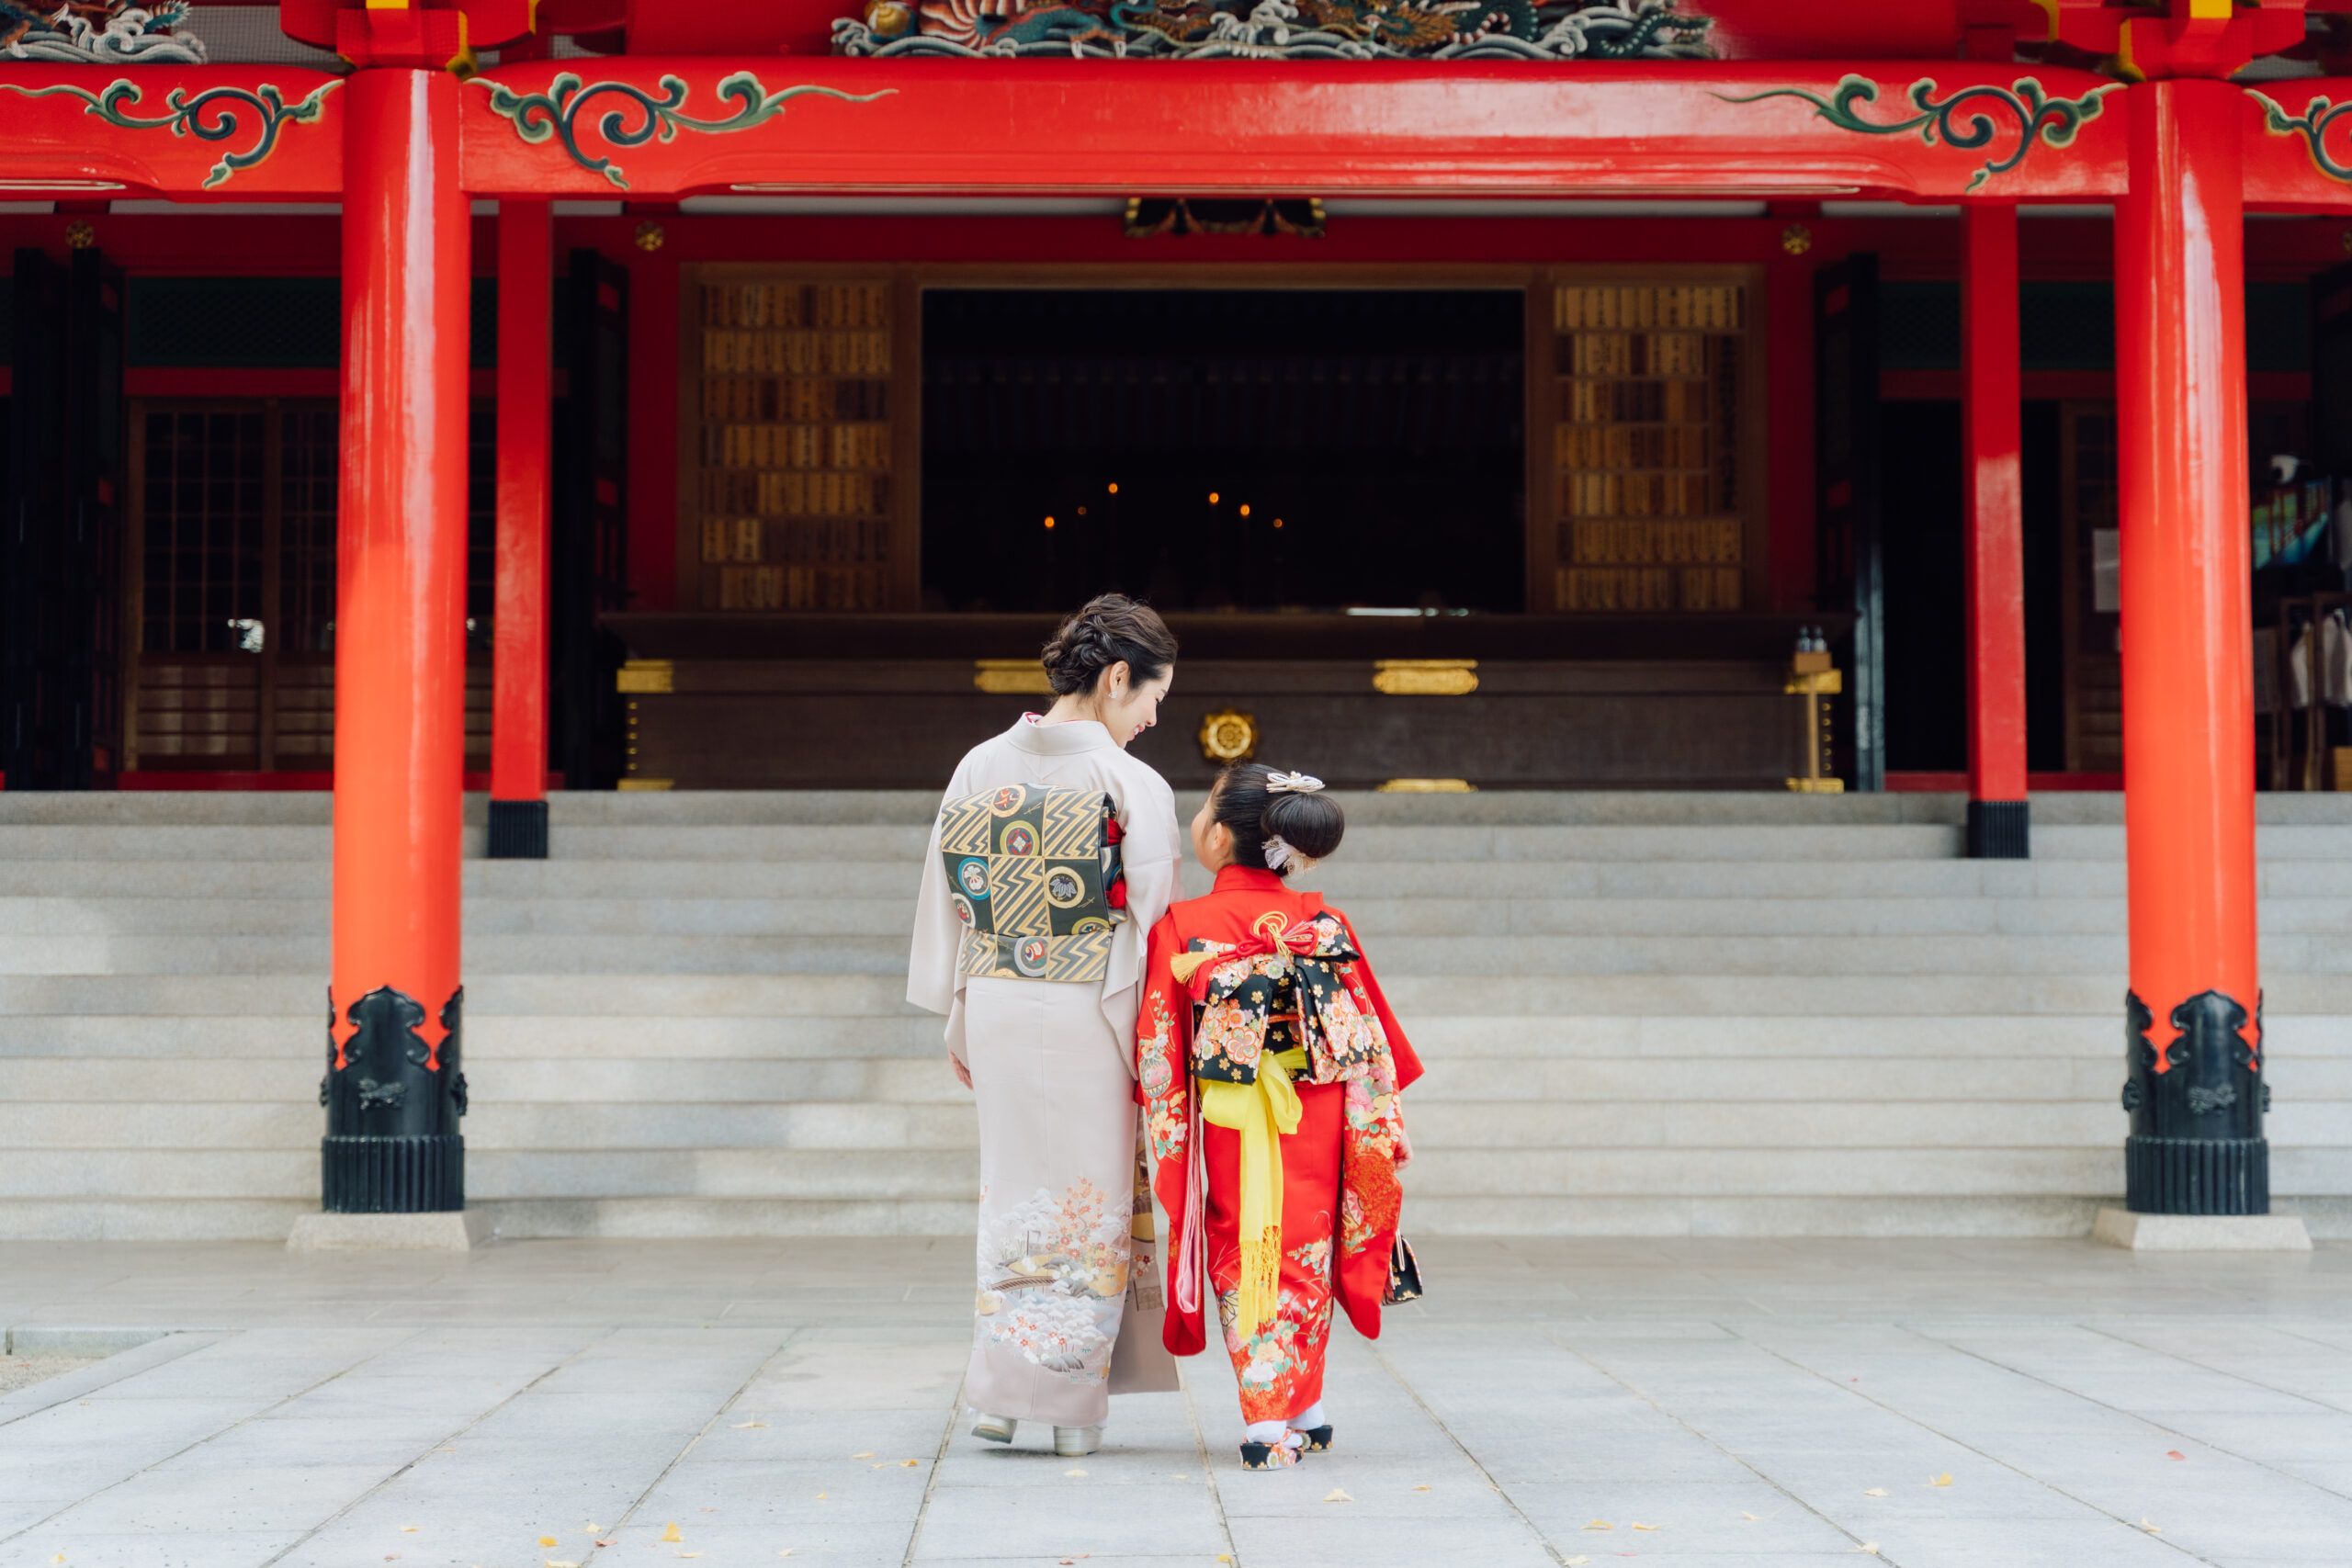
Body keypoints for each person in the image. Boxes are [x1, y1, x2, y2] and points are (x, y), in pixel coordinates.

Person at [908, 593, 1185, 1459]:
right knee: (1086, 1197)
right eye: (1152, 697)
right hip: (1090, 1006)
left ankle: (999, 1392)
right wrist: (1159, 1041)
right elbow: (1152, 921)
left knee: (1013, 1193)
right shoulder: (1131, 782)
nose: (1150, 718)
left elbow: (950, 896)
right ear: (1116, 678)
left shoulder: (978, 765)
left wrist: (959, 1012)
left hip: (995, 994)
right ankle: (1069, 1406)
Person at [1135, 763, 1422, 1471]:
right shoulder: (1326, 924)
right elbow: (1375, 1046)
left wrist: (1167, 1124)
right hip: (1322, 1113)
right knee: (1310, 1246)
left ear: (1220, 835)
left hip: (1233, 1116)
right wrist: (1376, 1129)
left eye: (1205, 807)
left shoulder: (1185, 926)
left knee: (1248, 1246)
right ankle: (1305, 1403)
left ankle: (1268, 1420)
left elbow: (1160, 1052)